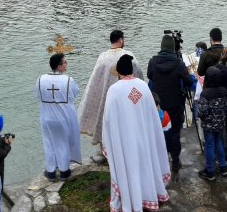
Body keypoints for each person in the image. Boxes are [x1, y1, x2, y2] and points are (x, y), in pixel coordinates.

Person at [102, 54, 170, 212]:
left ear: (119, 72)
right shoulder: (143, 85)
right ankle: (149, 197)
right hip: (144, 139)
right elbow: (152, 116)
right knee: (145, 167)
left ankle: (131, 201)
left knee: (129, 171)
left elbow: (108, 120)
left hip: (125, 142)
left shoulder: (114, 90)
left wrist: (108, 141)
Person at [78, 30, 143, 160]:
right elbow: (138, 75)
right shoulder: (128, 55)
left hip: (107, 97)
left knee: (105, 120)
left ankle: (105, 151)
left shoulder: (102, 57)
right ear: (120, 40)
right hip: (126, 97)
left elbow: (95, 82)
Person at [147, 34, 195, 172]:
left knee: (159, 133)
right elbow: (189, 82)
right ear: (173, 48)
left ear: (161, 47)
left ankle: (161, 161)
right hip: (175, 105)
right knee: (174, 133)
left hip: (158, 106)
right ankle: (175, 161)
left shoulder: (153, 62)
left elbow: (150, 76)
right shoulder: (178, 63)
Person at [36, 53, 81, 181]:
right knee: (63, 143)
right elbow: (75, 92)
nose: (66, 64)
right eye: (65, 62)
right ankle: (64, 171)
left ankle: (50, 171)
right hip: (62, 118)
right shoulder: (68, 80)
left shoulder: (40, 79)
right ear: (59, 66)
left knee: (48, 142)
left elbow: (38, 96)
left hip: (47, 117)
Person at [196, 66, 227, 180]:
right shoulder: (225, 91)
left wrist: (198, 112)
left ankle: (210, 171)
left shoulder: (205, 94)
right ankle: (223, 167)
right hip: (220, 123)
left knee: (210, 145)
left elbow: (202, 112)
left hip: (208, 125)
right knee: (219, 142)